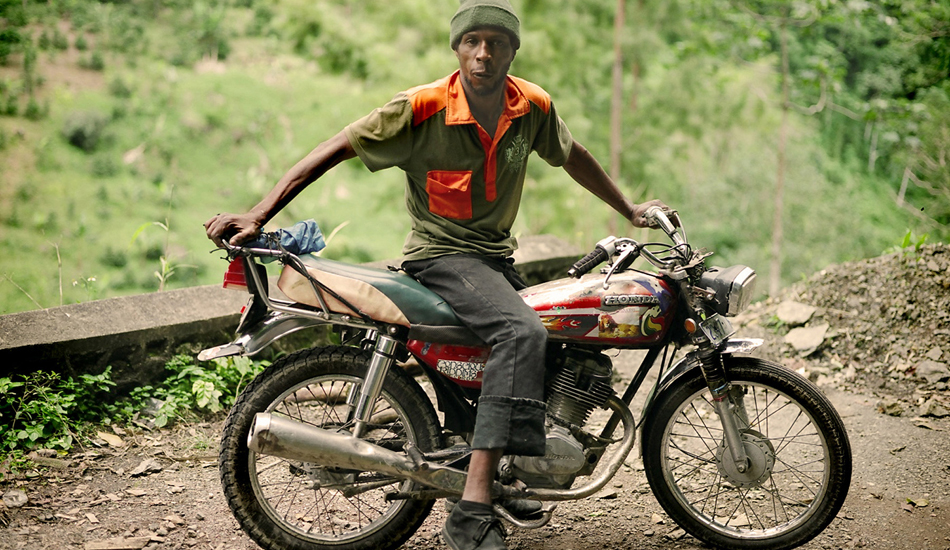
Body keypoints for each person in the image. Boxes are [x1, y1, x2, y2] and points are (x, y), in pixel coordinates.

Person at [205, 1, 671, 548]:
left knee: (556, 335)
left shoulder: (532, 107)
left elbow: (573, 155)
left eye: (497, 43)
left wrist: (630, 210)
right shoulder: (420, 107)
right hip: (443, 257)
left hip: (495, 259)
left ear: (512, 52)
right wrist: (260, 213)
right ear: (457, 49)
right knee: (518, 333)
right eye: (472, 41)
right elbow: (334, 149)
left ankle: (504, 469)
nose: (484, 53)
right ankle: (471, 511)